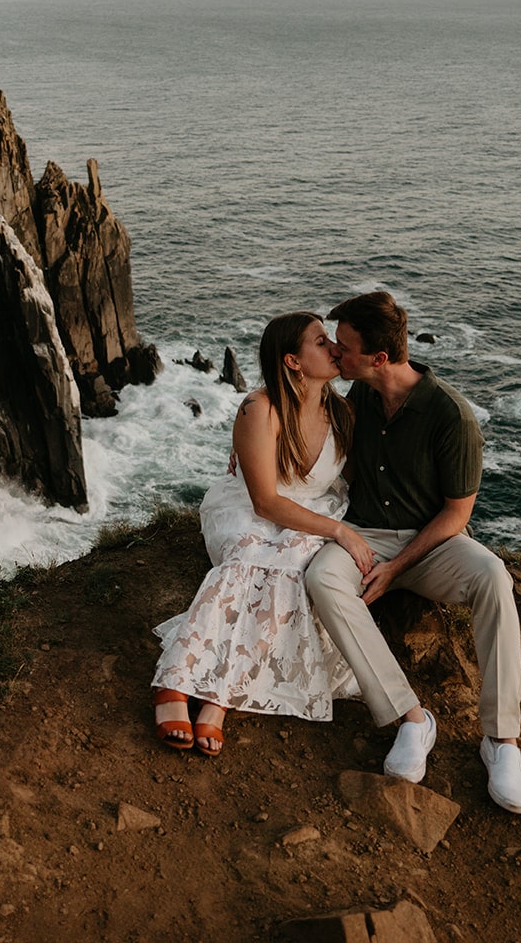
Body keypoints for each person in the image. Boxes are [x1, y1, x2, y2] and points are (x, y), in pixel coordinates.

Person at [305, 290, 521, 813]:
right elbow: (295, 418)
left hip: (432, 543)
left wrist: (396, 568)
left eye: (345, 347)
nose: (336, 354)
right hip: (362, 533)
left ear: (379, 359)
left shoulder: (452, 415)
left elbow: (457, 514)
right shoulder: (356, 397)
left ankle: (501, 740)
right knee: (322, 579)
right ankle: (412, 718)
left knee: (494, 576)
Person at [152, 311, 377, 756]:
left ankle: (217, 694)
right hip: (249, 510)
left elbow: (346, 478)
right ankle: (174, 683)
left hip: (311, 510)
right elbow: (266, 503)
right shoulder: (261, 408)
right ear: (293, 361)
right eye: (320, 341)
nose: (333, 347)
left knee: (294, 566)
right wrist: (340, 532)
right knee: (249, 562)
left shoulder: (343, 412)